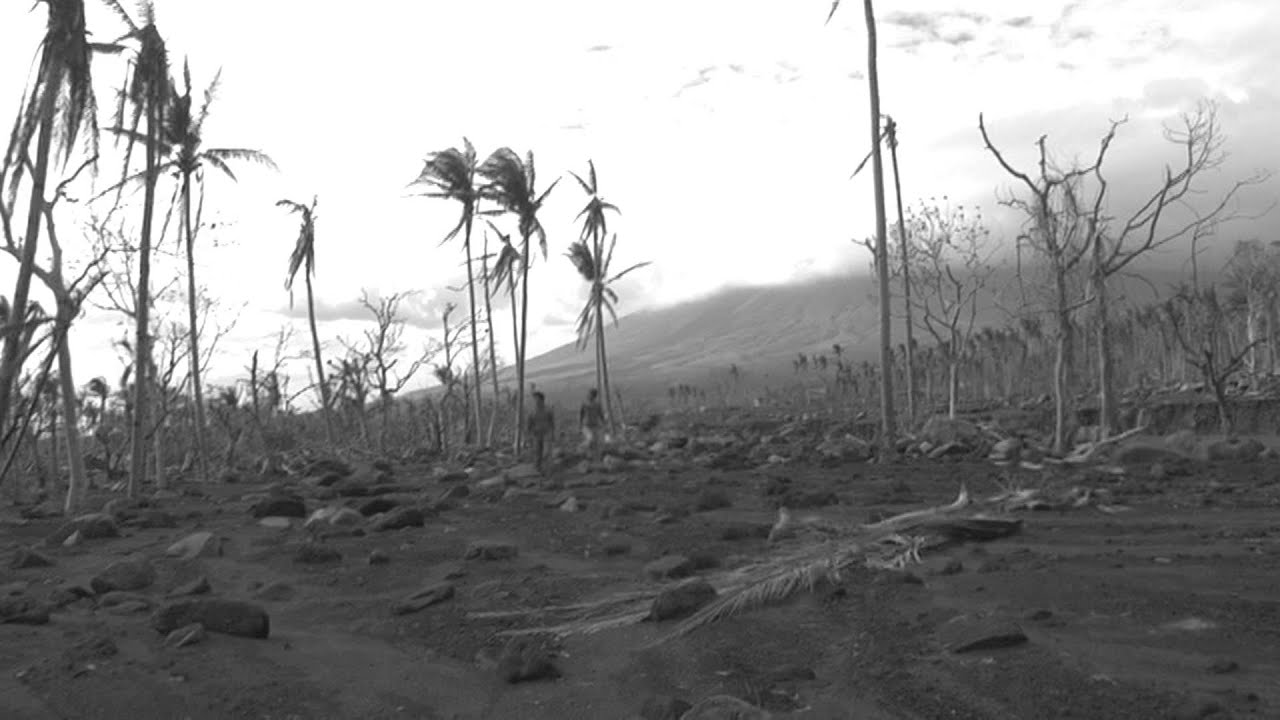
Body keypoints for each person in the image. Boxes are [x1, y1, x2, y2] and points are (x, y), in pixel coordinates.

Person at [527, 391, 555, 471]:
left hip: (547, 433)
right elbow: (529, 424)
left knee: (546, 452)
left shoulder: (548, 410)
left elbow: (552, 422)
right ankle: (538, 469)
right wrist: (528, 435)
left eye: (537, 399)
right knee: (537, 452)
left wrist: (552, 433)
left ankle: (547, 469)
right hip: (536, 434)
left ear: (542, 400)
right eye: (535, 399)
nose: (535, 401)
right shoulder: (532, 411)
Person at [579, 388, 606, 461]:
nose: (589, 396)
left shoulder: (597, 404)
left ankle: (594, 457)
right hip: (586, 426)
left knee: (597, 442)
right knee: (590, 439)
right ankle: (583, 449)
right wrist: (580, 425)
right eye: (589, 394)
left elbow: (600, 414)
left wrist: (604, 423)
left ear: (594, 396)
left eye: (591, 395)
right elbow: (581, 414)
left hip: (595, 425)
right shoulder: (584, 404)